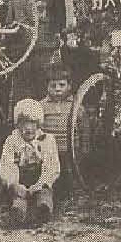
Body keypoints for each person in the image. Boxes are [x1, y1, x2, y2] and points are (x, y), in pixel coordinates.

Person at [0, 99, 60, 228]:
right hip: (20, 178)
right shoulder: (12, 141)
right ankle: (18, 212)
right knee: (17, 197)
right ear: (17, 124)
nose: (28, 127)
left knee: (44, 194)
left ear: (38, 124)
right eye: (23, 123)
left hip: (40, 178)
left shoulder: (47, 140)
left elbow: (51, 166)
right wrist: (14, 184)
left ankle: (42, 211)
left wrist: (41, 183)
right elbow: (8, 164)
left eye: (32, 122)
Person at [8, 0, 58, 101]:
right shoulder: (15, 0)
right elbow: (11, 29)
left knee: (46, 95)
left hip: (46, 53)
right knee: (24, 98)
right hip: (24, 57)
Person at [39, 66, 78, 205]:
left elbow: (84, 128)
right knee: (49, 171)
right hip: (49, 149)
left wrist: (84, 148)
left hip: (68, 149)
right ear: (47, 87)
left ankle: (69, 194)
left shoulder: (76, 104)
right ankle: (48, 193)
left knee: (68, 172)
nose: (58, 89)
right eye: (53, 86)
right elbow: (39, 128)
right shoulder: (42, 105)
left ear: (69, 86)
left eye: (62, 85)